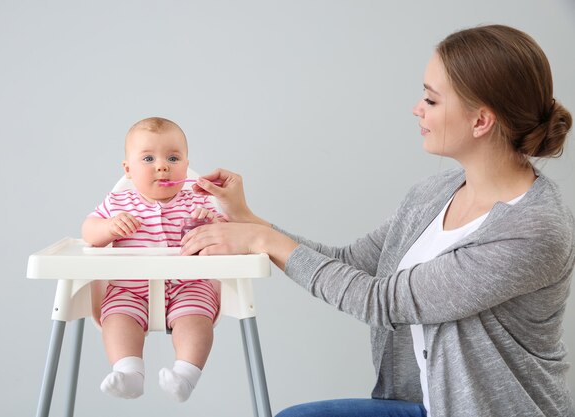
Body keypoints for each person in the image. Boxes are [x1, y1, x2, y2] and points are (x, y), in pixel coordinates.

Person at [180, 25, 575, 417]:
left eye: (431, 100)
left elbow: (381, 300)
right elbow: (353, 262)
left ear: (480, 122)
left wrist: (262, 242)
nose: (417, 108)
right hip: (427, 406)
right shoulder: (434, 193)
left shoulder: (533, 229)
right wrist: (251, 222)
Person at [82, 117, 223, 402]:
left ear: (186, 165)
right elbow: (88, 231)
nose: (162, 165)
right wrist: (108, 228)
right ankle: (129, 373)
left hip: (189, 286)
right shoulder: (118, 203)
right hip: (130, 290)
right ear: (128, 169)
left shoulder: (198, 202)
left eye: (173, 157)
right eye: (148, 158)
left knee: (196, 321)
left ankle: (185, 375)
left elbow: (227, 237)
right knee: (117, 320)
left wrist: (211, 223)